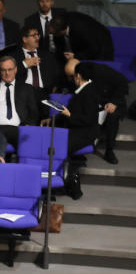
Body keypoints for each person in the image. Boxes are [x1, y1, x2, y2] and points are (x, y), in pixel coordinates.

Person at [65, 57, 127, 164]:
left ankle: (109, 150)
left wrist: (114, 102)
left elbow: (123, 83)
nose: (72, 79)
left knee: (112, 116)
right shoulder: (79, 79)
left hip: (111, 100)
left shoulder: (101, 71)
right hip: (94, 103)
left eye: (73, 76)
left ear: (78, 74)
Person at [54, 61, 100, 200]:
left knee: (59, 147)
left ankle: (71, 184)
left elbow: (88, 119)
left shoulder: (89, 92)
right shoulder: (84, 90)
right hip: (77, 130)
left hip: (85, 133)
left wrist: (70, 115)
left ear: (78, 76)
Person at [0, 56, 40, 147]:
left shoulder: (26, 88)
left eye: (10, 69)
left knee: (28, 141)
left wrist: (28, 125)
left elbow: (33, 111)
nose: (7, 73)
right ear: (0, 71)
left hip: (18, 130)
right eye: (3, 70)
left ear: (15, 70)